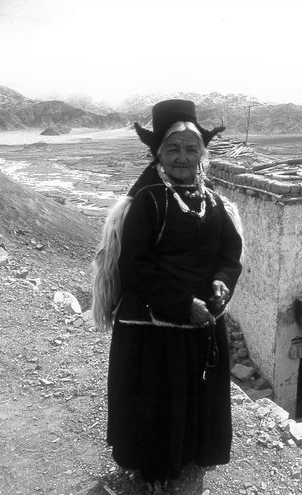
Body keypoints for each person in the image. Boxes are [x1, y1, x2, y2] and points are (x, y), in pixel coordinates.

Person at [91, 99, 243, 493]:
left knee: (195, 394)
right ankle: (155, 471)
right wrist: (181, 304)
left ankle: (191, 455)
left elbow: (230, 251)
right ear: (158, 153)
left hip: (201, 318)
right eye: (173, 148)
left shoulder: (211, 201)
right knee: (160, 400)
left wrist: (223, 282)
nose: (183, 157)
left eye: (191, 149)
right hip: (155, 324)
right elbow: (135, 266)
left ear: (202, 156)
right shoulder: (150, 200)